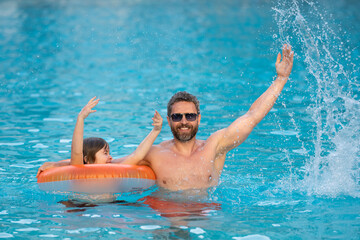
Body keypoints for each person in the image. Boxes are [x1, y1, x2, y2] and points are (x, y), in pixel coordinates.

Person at [38, 44, 294, 192]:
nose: (184, 120)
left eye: (190, 115)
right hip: (162, 220)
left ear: (199, 118)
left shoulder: (216, 146)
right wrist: (59, 165)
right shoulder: (155, 154)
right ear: (170, 120)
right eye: (178, 116)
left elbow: (251, 116)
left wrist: (281, 79)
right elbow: (103, 165)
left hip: (203, 219)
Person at [36, 97, 163, 177]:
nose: (111, 157)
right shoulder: (78, 169)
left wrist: (156, 130)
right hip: (80, 205)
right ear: (86, 158)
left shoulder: (115, 170)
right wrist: (80, 118)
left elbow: (137, 155)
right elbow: (76, 150)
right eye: (105, 153)